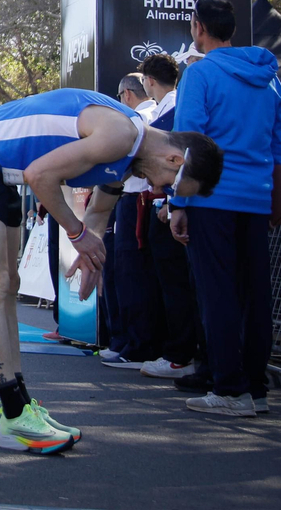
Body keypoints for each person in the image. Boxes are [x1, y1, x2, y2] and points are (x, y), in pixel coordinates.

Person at [0, 86, 223, 452]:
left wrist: (92, 251)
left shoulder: (129, 154)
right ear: (174, 159)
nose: (160, 189)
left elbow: (98, 212)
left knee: (8, 283)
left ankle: (20, 405)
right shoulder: (121, 135)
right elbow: (39, 175)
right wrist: (78, 235)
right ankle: (15, 415)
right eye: (171, 185)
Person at [168, 0, 281, 418]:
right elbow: (280, 147)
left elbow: (189, 143)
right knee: (255, 295)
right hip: (255, 199)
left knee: (217, 293)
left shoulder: (199, 74)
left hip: (212, 197)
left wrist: (178, 202)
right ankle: (254, 388)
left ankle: (229, 388)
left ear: (198, 28)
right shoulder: (270, 79)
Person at [135, 52, 204, 383]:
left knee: (178, 284)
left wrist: (174, 202)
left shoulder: (177, 105)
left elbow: (179, 155)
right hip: (164, 202)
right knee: (169, 282)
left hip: (173, 202)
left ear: (149, 81)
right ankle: (176, 350)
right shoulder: (162, 108)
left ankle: (181, 354)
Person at [99, 73, 164, 371]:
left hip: (138, 200)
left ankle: (137, 344)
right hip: (134, 200)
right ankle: (127, 340)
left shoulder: (140, 116)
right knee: (124, 274)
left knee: (131, 275)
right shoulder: (148, 113)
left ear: (126, 94)